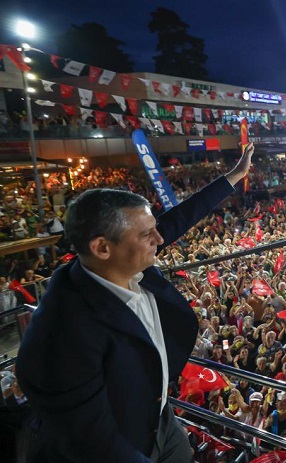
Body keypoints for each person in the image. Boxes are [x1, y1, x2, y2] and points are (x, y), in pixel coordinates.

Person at [16, 144, 254, 462]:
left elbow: (180, 217)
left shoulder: (121, 261)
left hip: (160, 419)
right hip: (126, 442)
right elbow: (93, 441)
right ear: (102, 248)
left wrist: (234, 175)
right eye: (147, 234)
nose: (160, 239)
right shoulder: (62, 332)